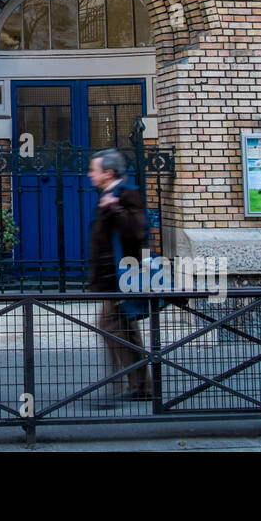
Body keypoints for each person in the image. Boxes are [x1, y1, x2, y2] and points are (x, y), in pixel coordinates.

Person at [86, 148, 152, 400]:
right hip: (112, 278)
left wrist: (115, 209)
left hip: (120, 278)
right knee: (125, 328)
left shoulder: (126, 194)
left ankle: (120, 385)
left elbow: (137, 231)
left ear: (108, 172)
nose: (90, 175)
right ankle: (141, 385)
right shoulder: (107, 194)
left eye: (94, 170)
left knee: (110, 325)